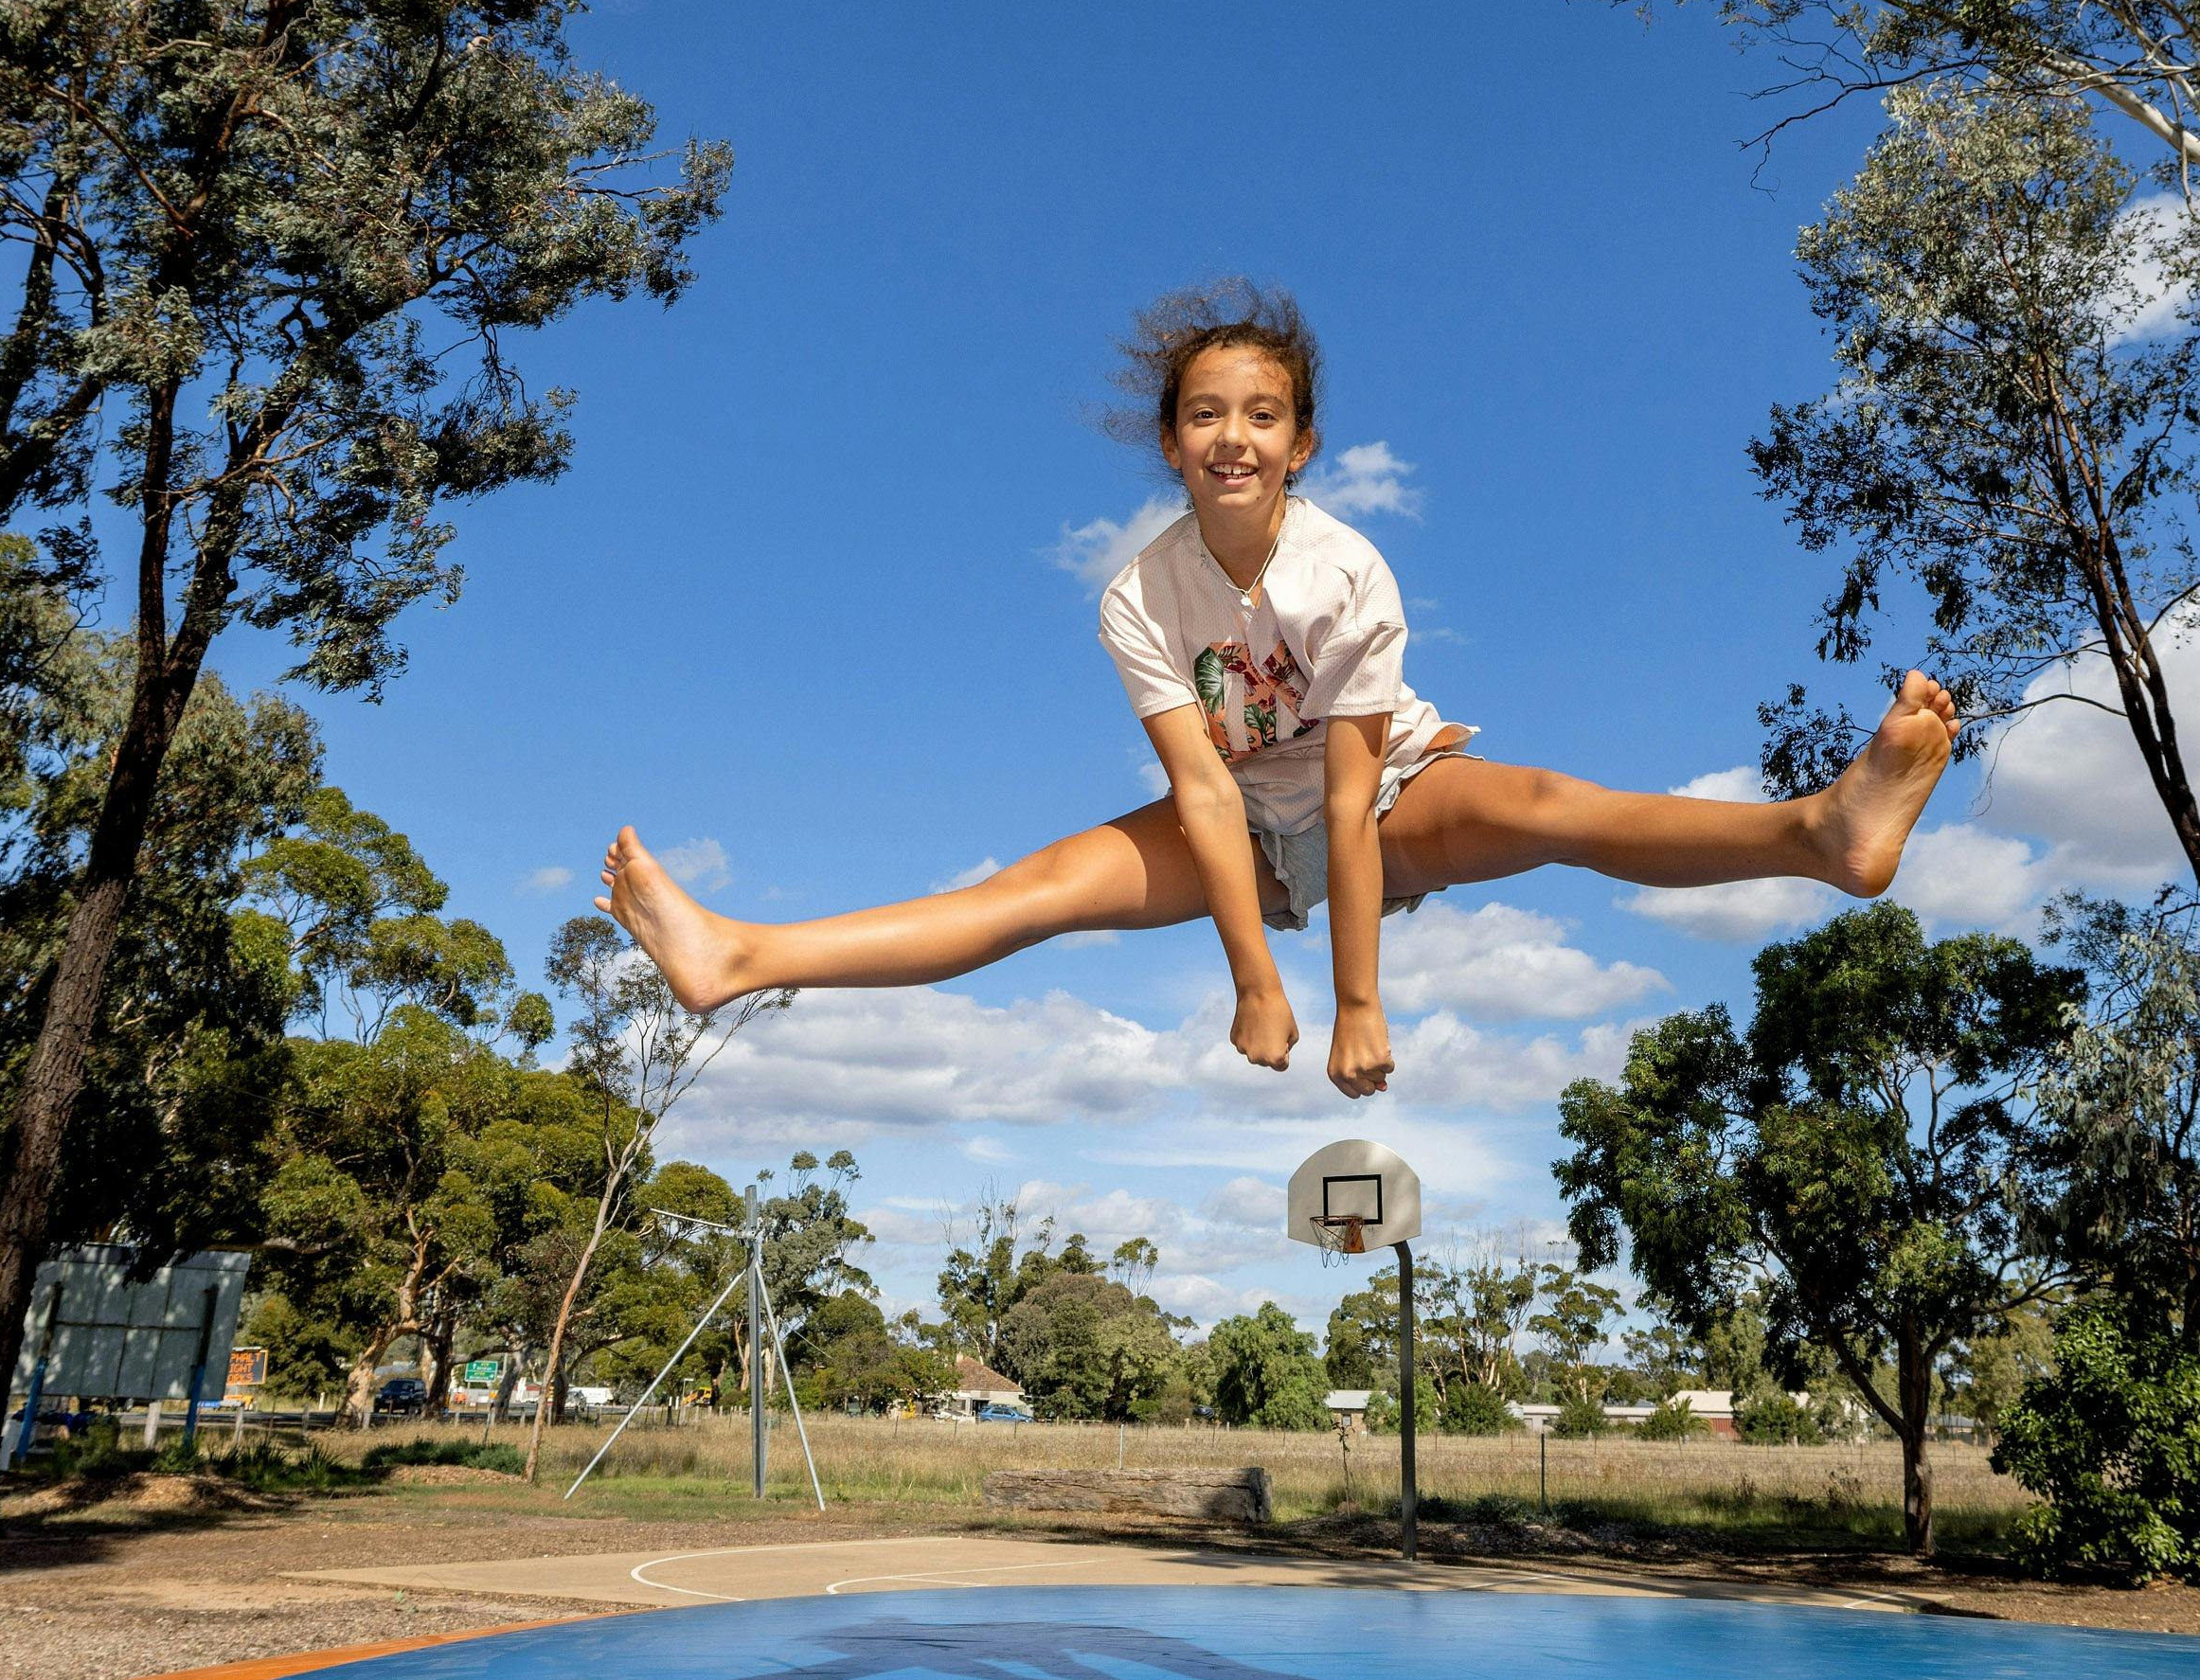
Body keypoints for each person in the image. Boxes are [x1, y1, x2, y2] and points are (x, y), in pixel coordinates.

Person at [600, 284, 1960, 1100]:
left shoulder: (1348, 571)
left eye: (1260, 412)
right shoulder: (1137, 595)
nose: (1231, 433)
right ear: (1171, 443)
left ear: (1300, 443)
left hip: (1391, 795)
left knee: (1550, 803)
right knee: (1026, 894)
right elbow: (1201, 786)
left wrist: (1357, 1001)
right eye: (1204, 412)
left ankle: (1819, 834)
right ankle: (737, 956)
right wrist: (1254, 976)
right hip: (1237, 823)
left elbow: (1358, 799)